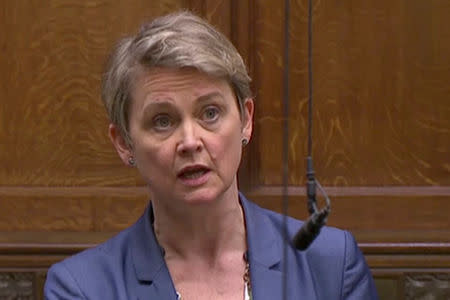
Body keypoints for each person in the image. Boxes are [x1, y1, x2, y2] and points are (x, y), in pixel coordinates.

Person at [44, 11, 378, 299]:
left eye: (210, 113)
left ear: (246, 120)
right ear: (124, 143)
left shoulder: (332, 263)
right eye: (162, 121)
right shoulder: (82, 288)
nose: (190, 141)